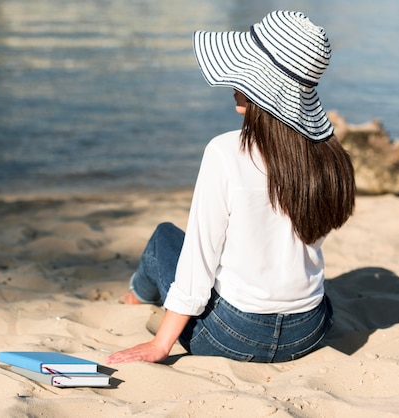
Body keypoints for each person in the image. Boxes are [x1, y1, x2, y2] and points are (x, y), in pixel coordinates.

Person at [106, 10, 355, 364]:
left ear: (260, 84)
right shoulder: (329, 157)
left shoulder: (225, 151)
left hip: (233, 337)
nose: (232, 82)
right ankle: (137, 295)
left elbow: (198, 263)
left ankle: (135, 296)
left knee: (164, 238)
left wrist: (161, 345)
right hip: (308, 332)